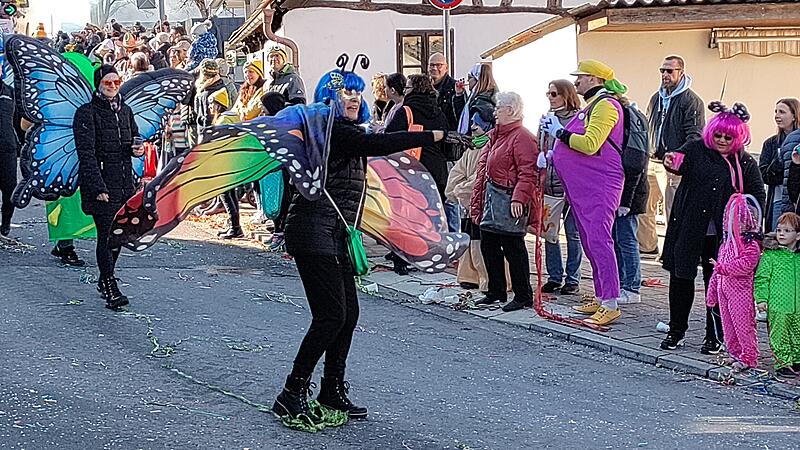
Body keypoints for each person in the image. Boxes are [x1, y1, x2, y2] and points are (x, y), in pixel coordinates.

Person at [272, 66, 447, 425]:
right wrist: (433, 135)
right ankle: (291, 392)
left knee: (348, 315)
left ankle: (331, 389)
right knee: (330, 316)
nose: (353, 98)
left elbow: (370, 144)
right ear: (328, 99)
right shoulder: (330, 132)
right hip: (312, 232)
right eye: (345, 92)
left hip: (334, 233)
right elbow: (375, 144)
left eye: (357, 93)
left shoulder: (349, 131)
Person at [659, 101, 765, 352]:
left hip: (724, 236)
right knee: (681, 278)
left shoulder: (745, 162)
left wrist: (748, 219)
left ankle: (714, 335)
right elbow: (678, 162)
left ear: (738, 137)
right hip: (689, 227)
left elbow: (757, 194)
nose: (721, 140)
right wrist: (670, 160)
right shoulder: (696, 149)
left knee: (718, 283)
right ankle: (676, 331)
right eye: (717, 134)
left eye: (728, 137)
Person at [539, 59, 627, 326]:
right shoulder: (592, 107)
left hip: (599, 185)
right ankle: (602, 296)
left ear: (595, 79)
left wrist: (559, 133)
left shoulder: (607, 107)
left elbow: (590, 144)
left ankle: (611, 301)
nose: (576, 81)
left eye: (581, 77)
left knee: (600, 241)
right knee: (590, 241)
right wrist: (554, 154)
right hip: (583, 187)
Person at [74, 65, 143, 310]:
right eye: (108, 82)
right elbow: (86, 154)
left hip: (124, 183)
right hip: (101, 184)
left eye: (116, 82)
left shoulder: (126, 110)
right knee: (106, 235)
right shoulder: (86, 113)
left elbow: (134, 139)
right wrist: (97, 186)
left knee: (119, 235)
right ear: (98, 84)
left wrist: (137, 149)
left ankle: (105, 279)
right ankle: (110, 284)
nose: (113, 86)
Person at [470, 92, 539, 313]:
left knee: (513, 246)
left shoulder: (522, 137)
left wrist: (519, 197)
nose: (495, 111)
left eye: (499, 107)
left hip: (508, 197)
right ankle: (496, 290)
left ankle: (522, 294)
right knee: (489, 244)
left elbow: (528, 172)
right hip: (493, 195)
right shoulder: (497, 135)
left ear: (511, 110)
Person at [385, 74, 450, 275]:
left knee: (405, 216)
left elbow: (390, 138)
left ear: (413, 90)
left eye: (408, 87)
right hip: (436, 171)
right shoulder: (438, 112)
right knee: (431, 217)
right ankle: (430, 257)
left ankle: (402, 260)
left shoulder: (406, 110)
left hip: (411, 170)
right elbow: (447, 141)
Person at [639, 55, 705, 255]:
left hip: (673, 164)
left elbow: (695, 135)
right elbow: (648, 127)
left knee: (673, 209)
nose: (665, 75)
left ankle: (673, 250)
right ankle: (647, 246)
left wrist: (678, 157)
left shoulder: (691, 101)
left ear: (681, 73)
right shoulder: (656, 98)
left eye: (670, 71)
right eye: (662, 70)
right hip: (651, 159)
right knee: (644, 206)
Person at [446, 112, 511, 291]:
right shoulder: (471, 148)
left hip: (482, 202)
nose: (473, 127)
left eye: (478, 124)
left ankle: (489, 279)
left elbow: (480, 178)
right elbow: (456, 173)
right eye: (473, 123)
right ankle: (469, 275)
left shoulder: (491, 147)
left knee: (482, 242)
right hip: (466, 204)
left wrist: (461, 189)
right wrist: (456, 189)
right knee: (469, 239)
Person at [706, 194, 762, 371]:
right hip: (725, 290)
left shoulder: (750, 245)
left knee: (743, 325)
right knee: (728, 324)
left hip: (741, 293)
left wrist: (723, 268)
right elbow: (717, 270)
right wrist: (712, 292)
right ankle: (735, 352)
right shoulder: (726, 244)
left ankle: (749, 356)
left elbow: (745, 265)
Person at [539, 80, 583, 296]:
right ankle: (554, 276)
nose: (550, 96)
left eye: (554, 93)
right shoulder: (547, 117)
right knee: (550, 231)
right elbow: (542, 143)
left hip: (573, 184)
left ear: (566, 95)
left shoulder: (578, 118)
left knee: (573, 233)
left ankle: (572, 278)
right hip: (550, 182)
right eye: (548, 93)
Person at [453, 62, 497, 233]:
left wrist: (472, 138)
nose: (468, 82)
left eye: (470, 78)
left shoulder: (482, 101)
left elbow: (476, 127)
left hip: (477, 150)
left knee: (473, 192)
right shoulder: (478, 98)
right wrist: (459, 96)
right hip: (475, 148)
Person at [755, 212, 800, 378]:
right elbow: (762, 278)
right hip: (778, 305)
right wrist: (761, 299)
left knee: (797, 332)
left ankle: (796, 360)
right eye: (779, 230)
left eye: (787, 231)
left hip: (798, 305)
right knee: (779, 333)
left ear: (798, 235)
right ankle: (783, 362)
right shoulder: (771, 255)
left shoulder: (798, 257)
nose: (781, 233)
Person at [614, 103, 649, 304]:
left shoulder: (629, 122)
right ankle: (620, 283)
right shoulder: (629, 119)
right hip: (621, 192)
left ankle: (631, 286)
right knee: (618, 239)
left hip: (630, 193)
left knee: (627, 239)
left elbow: (635, 166)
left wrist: (625, 201)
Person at [760, 98, 799, 231]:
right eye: (776, 111)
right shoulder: (770, 144)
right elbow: (764, 176)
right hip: (777, 199)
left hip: (796, 200)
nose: (777, 115)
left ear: (794, 115)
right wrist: (781, 159)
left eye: (782, 112)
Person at [0, 78, 18, 236]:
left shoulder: (9, 91)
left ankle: (6, 221)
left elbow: (19, 119)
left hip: (7, 148)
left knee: (10, 189)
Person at [193, 59, 227, 135]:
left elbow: (207, 117)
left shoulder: (205, 92)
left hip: (208, 132)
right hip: (221, 129)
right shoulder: (222, 86)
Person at [428, 52, 458, 131]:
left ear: (446, 68)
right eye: (431, 65)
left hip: (449, 134)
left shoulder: (454, 88)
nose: (434, 68)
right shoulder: (425, 87)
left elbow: (460, 115)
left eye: (439, 65)